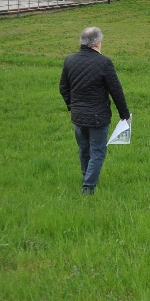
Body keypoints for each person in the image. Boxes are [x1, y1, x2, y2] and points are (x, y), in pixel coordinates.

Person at [59, 26, 131, 195]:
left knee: (84, 149)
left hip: (77, 116)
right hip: (98, 116)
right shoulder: (104, 62)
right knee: (97, 151)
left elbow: (63, 87)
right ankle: (88, 187)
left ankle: (86, 178)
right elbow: (116, 91)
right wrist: (124, 115)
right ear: (98, 43)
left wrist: (72, 105)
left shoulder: (69, 60)